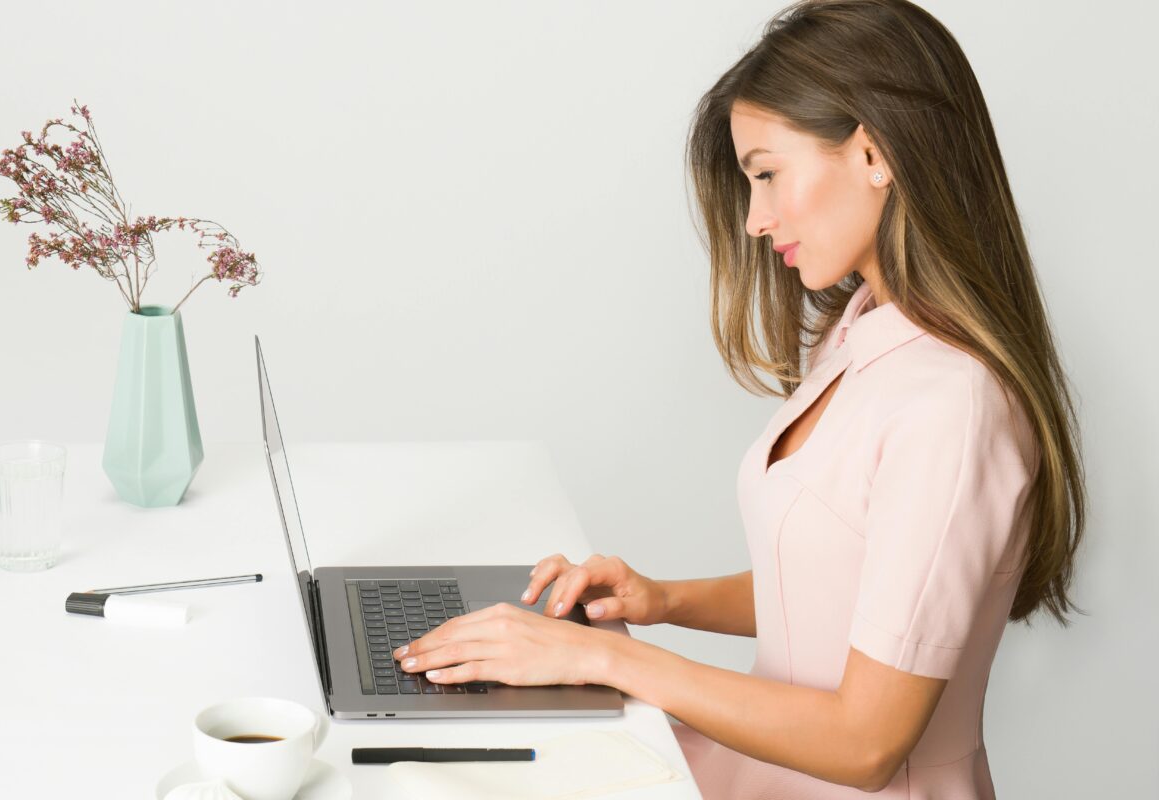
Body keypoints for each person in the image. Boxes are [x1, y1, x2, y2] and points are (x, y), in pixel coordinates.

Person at [391, 0, 1086, 796]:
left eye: (766, 174)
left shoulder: (952, 407)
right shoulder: (860, 335)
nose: (755, 219)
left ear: (874, 153)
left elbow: (866, 743)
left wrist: (602, 657)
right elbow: (842, 585)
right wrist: (660, 599)